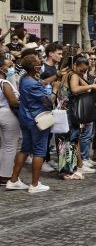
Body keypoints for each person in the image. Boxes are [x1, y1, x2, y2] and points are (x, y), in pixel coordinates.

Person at [6, 53, 54, 193]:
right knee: (39, 150)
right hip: (36, 119)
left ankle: (13, 180)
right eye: (39, 62)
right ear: (34, 67)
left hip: (26, 118)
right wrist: (54, 91)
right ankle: (34, 184)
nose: (41, 64)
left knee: (25, 149)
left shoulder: (25, 78)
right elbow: (47, 101)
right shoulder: (32, 83)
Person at [0, 57, 21, 183]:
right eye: (9, 66)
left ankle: (2, 172)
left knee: (4, 146)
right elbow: (13, 102)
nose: (11, 68)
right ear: (1, 68)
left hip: (2, 114)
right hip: (8, 114)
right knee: (10, 146)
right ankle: (6, 176)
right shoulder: (4, 83)